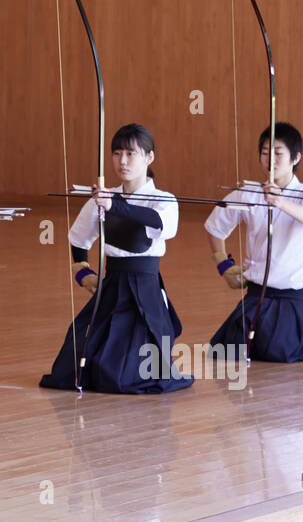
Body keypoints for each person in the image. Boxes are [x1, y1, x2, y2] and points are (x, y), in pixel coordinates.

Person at [40, 123, 192, 394]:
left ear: (149, 157)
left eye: (131, 154)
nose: (122, 161)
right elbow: (78, 239)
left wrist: (115, 205)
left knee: (124, 373)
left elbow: (159, 224)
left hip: (146, 291)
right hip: (111, 287)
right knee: (74, 367)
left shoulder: (164, 199)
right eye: (117, 153)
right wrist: (83, 273)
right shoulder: (102, 199)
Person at [205, 122, 303, 363]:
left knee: (278, 351)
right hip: (258, 295)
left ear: (295, 158)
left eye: (277, 153)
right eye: (264, 153)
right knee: (224, 351)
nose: (270, 159)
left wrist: (281, 202)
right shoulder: (248, 193)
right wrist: (223, 264)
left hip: (295, 297)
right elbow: (214, 227)